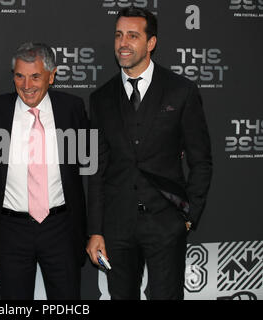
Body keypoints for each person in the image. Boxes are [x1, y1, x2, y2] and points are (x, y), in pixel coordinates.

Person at [86, 7, 213, 300]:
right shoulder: (100, 99)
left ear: (151, 42)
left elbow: (201, 160)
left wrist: (188, 215)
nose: (123, 43)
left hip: (166, 224)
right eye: (119, 35)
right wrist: (95, 230)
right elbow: (95, 168)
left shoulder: (181, 91)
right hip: (117, 228)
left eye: (132, 35)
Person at [0, 42, 88, 299]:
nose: (26, 85)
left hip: (61, 227)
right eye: (20, 76)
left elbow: (88, 162)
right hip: (10, 230)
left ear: (52, 75)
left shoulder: (72, 109)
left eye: (35, 76)